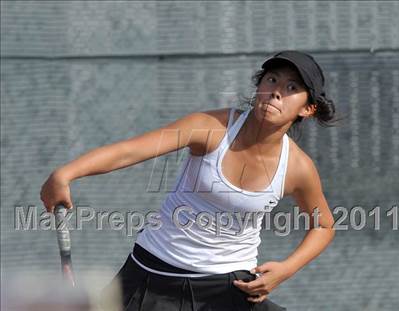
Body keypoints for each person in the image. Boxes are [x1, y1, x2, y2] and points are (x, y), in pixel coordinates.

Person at [40, 50, 336, 311]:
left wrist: (286, 269)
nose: (276, 92)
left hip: (228, 287)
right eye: (271, 80)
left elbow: (323, 225)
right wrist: (65, 173)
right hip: (152, 276)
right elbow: (129, 152)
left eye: (292, 87)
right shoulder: (210, 128)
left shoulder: (298, 167)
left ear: (307, 109)